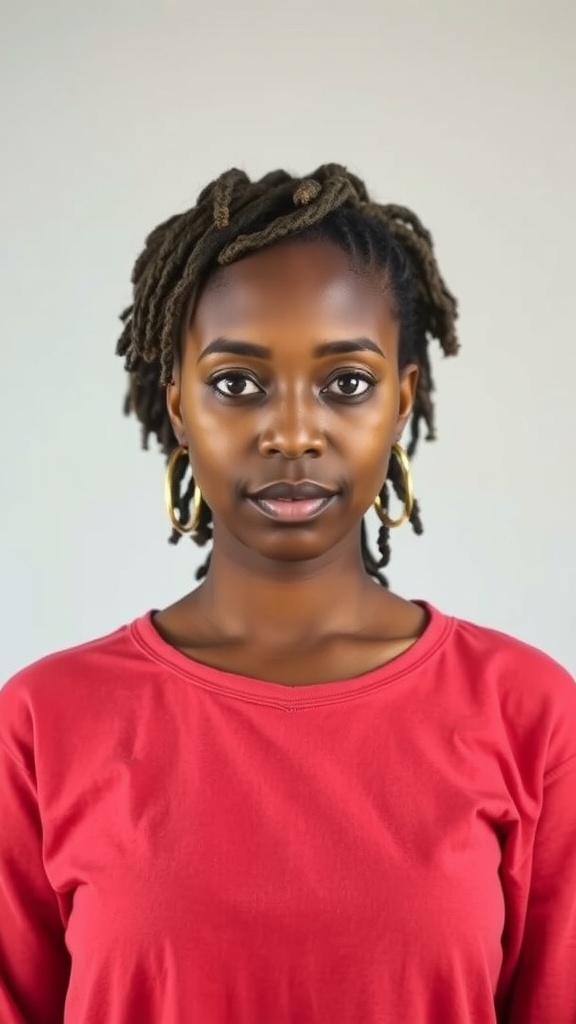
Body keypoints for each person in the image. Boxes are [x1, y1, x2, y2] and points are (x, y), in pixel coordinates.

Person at [1, 163, 575, 1024]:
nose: (295, 431)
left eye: (347, 382)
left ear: (401, 400)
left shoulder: (530, 713)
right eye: (237, 383)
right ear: (180, 406)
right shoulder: (44, 721)